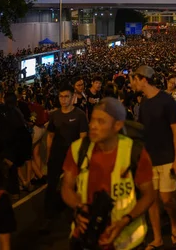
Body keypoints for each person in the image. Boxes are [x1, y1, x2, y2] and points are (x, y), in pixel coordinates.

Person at [61, 98, 156, 250]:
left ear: (117, 125)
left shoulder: (134, 152)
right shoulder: (78, 149)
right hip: (86, 238)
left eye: (101, 122)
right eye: (92, 120)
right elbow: (66, 187)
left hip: (126, 242)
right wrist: (78, 207)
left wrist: (124, 221)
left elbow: (149, 194)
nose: (92, 126)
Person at [132, 66, 176, 248]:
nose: (132, 84)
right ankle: (157, 237)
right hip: (149, 158)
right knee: (151, 200)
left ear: (143, 79)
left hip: (167, 156)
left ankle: (174, 222)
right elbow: (143, 132)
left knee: (167, 199)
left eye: (134, 79)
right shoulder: (144, 104)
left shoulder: (166, 101)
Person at [42, 85, 88, 232]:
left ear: (72, 97)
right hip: (56, 155)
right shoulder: (55, 115)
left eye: (66, 96)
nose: (63, 100)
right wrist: (48, 155)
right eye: (61, 97)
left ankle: (76, 218)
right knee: (52, 186)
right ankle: (48, 217)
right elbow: (50, 136)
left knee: (74, 187)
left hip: (73, 157)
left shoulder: (80, 115)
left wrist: (81, 158)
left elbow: (83, 138)